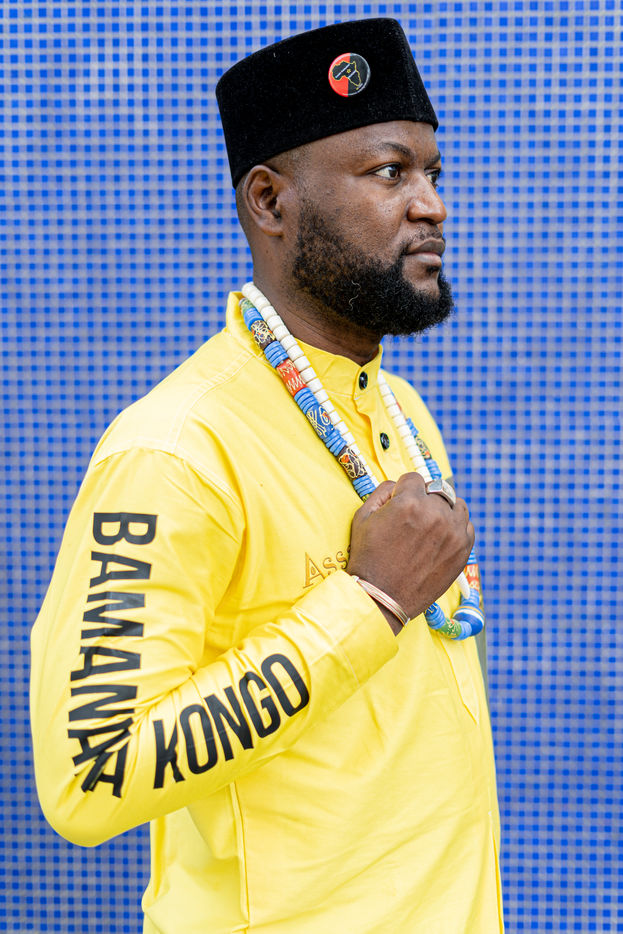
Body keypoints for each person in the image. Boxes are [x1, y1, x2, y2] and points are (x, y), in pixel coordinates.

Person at [30, 18, 504, 933]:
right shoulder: (174, 450)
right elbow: (91, 776)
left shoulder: (401, 412)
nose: (432, 205)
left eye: (433, 173)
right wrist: (366, 603)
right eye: (388, 172)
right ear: (270, 200)